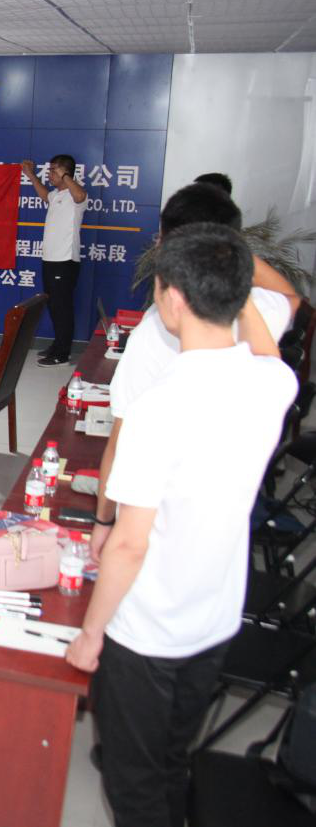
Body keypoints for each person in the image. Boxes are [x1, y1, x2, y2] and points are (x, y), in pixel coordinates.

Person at [65, 223, 296, 827]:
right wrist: (238, 285)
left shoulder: (158, 409)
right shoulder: (273, 383)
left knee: (134, 788)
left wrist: (91, 633)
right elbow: (269, 341)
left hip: (148, 633)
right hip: (214, 620)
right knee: (172, 763)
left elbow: (129, 544)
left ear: (172, 299)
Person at [90, 183, 297, 563]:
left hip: (152, 534)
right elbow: (291, 299)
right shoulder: (269, 350)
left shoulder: (153, 337)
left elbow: (119, 446)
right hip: (224, 536)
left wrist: (103, 521)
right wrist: (231, 258)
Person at [21, 155, 88, 367]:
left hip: (65, 260)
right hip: (50, 259)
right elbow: (45, 195)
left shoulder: (76, 195)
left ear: (64, 172)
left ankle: (62, 354)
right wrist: (31, 175)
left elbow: (80, 196)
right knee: (54, 305)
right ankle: (58, 345)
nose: (49, 174)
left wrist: (66, 176)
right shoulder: (57, 194)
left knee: (62, 307)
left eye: (53, 170)